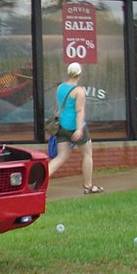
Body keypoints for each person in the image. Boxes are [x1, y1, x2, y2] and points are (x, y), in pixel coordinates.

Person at [48, 62, 103, 193]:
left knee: (60, 157)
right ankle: (88, 186)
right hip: (76, 127)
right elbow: (79, 111)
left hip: (61, 126)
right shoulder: (79, 91)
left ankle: (39, 182)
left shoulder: (60, 87)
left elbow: (57, 108)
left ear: (68, 73)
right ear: (79, 74)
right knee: (87, 155)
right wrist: (79, 129)